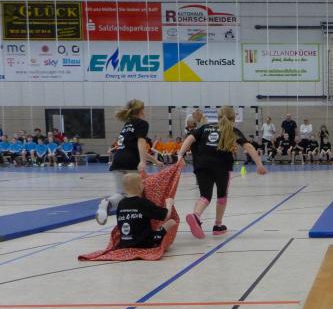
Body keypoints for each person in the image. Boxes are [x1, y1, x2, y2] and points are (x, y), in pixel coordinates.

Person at [177, 105, 267, 238]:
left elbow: (190, 138)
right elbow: (248, 146)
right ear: (233, 118)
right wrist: (259, 164)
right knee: (222, 195)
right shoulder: (232, 130)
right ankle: (218, 226)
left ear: (218, 117)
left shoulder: (205, 127)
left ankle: (196, 215)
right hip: (222, 166)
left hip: (202, 165)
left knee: (205, 196)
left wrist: (180, 155)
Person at [96, 99, 161, 225]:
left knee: (122, 193)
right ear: (140, 110)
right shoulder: (142, 123)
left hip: (117, 161)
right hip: (130, 162)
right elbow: (141, 143)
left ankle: (107, 203)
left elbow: (133, 148)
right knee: (135, 193)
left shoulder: (127, 125)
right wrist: (142, 162)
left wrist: (155, 161)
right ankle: (137, 221)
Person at [115, 173, 178, 249]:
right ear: (140, 186)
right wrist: (169, 204)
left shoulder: (121, 203)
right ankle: (164, 245)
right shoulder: (144, 203)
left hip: (125, 243)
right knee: (172, 222)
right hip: (145, 243)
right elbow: (165, 216)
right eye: (142, 183)